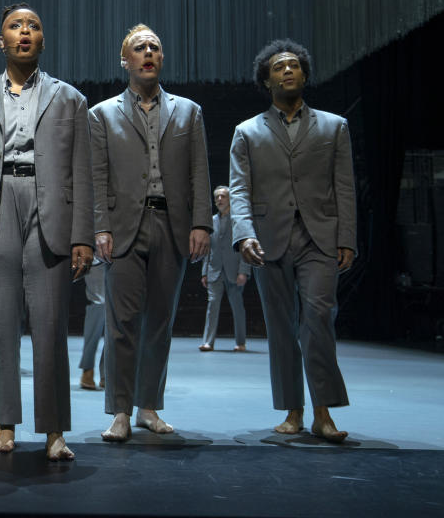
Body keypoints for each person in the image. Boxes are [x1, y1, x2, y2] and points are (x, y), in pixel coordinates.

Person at [0, 3, 93, 461]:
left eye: (33, 26)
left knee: (50, 323)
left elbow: (83, 173)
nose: (24, 32)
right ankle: (5, 424)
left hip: (49, 205)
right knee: (2, 321)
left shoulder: (70, 99)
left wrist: (83, 235)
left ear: (43, 40)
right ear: (1, 40)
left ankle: (53, 431)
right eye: (15, 26)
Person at [89, 24, 211, 442]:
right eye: (139, 47)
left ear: (161, 59)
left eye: (154, 47)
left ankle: (148, 407)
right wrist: (99, 227)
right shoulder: (102, 114)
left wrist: (201, 223)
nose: (147, 52)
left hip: (172, 225)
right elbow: (97, 177)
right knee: (121, 323)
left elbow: (199, 171)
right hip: (123, 228)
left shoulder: (188, 111)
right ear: (125, 60)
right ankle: (119, 411)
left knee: (160, 322)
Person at [229, 39, 355, 443]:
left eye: (295, 66)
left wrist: (347, 237)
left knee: (318, 319)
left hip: (320, 237)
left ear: (304, 75)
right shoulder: (246, 132)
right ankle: (292, 410)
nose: (288, 71)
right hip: (269, 239)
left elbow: (345, 187)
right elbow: (238, 190)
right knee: (281, 326)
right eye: (279, 67)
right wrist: (244, 235)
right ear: (266, 80)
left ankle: (323, 413)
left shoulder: (335, 126)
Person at [199, 185, 251, 352]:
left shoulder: (237, 220)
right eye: (217, 197)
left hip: (234, 270)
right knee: (212, 305)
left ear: (230, 199)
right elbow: (208, 248)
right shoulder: (211, 222)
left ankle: (240, 342)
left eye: (223, 196)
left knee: (237, 307)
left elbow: (244, 246)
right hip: (214, 270)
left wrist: (244, 271)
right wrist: (204, 272)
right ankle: (208, 342)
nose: (220, 200)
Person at [79, 260, 106, 389]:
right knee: (98, 302)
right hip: (97, 254)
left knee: (119, 310)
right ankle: (87, 367)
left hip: (125, 251)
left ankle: (109, 371)